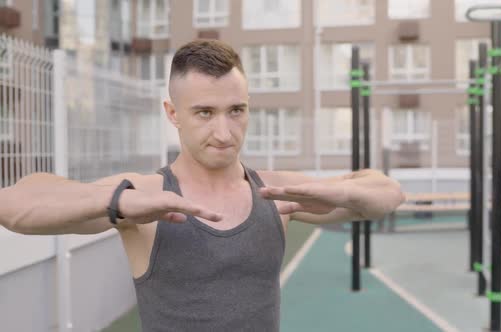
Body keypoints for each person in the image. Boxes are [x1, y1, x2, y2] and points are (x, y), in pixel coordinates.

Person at [0, 39, 405, 331]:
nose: (224, 132)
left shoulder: (278, 194)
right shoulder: (145, 194)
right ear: (173, 113)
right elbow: (14, 204)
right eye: (205, 112)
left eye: (236, 111)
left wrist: (342, 191)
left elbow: (389, 194)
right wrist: (118, 202)